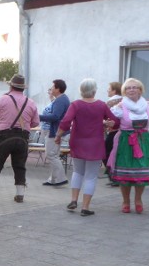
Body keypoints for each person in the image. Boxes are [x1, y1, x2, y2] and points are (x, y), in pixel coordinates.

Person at [106, 78, 149, 214]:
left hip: (143, 140)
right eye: (128, 88)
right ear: (124, 91)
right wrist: (107, 123)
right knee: (125, 173)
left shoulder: (148, 106)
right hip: (125, 141)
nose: (131, 89)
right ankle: (125, 201)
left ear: (140, 90)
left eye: (134, 87)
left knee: (141, 171)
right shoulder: (120, 107)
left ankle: (138, 200)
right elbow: (109, 120)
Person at [55, 79, 120, 216]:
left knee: (77, 172)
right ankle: (85, 207)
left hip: (77, 142)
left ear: (81, 90)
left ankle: (73, 200)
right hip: (95, 144)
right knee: (91, 176)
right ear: (95, 90)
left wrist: (59, 135)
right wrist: (107, 124)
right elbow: (115, 121)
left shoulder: (76, 105)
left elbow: (66, 122)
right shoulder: (101, 105)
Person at [0, 74, 39, 204]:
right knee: (20, 166)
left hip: (5, 136)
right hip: (23, 138)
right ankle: (20, 195)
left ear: (11, 86)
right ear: (23, 88)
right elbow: (35, 122)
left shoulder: (3, 99)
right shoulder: (30, 102)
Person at [39, 79, 70, 186]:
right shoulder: (61, 99)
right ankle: (53, 179)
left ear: (58, 89)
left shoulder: (60, 100)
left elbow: (55, 116)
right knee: (54, 154)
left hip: (56, 131)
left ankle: (61, 178)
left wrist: (38, 117)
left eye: (52, 87)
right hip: (57, 130)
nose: (51, 89)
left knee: (51, 155)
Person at [104, 81, 122, 185]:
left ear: (114, 90)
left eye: (109, 88)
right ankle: (115, 176)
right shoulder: (123, 100)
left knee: (106, 153)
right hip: (121, 131)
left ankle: (114, 177)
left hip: (113, 131)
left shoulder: (110, 102)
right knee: (116, 154)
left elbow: (107, 117)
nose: (107, 90)